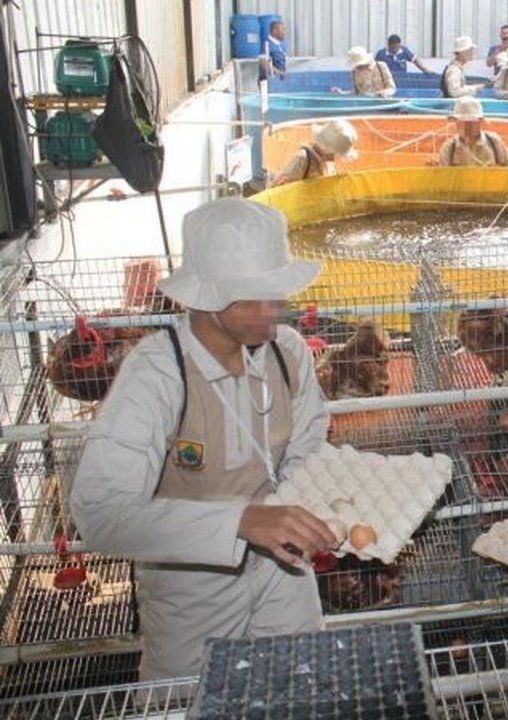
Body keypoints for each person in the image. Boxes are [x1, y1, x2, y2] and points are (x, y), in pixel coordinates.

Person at [70, 199, 336, 681]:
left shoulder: (286, 351)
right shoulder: (157, 374)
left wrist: (297, 505)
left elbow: (309, 437)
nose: (269, 312)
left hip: (284, 566)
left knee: (300, 684)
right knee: (189, 700)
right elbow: (101, 514)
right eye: (250, 299)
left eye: (274, 295)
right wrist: (239, 521)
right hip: (191, 582)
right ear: (205, 296)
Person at [271, 119, 358, 186]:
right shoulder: (303, 159)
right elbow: (281, 187)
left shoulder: (328, 163)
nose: (336, 158)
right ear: (328, 150)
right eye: (336, 154)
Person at [438, 97, 508, 167]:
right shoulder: (449, 148)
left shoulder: (494, 142)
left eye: (470, 122)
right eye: (462, 121)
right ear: (456, 122)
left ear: (479, 122)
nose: (465, 126)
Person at [331, 46, 395, 97]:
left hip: (383, 105)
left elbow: (392, 88)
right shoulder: (355, 72)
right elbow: (356, 92)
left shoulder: (381, 66)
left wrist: (384, 92)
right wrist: (341, 93)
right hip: (364, 106)